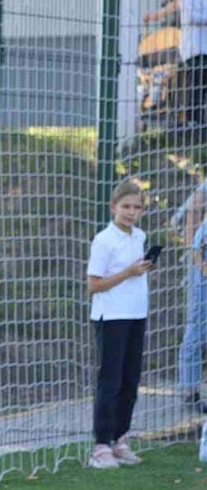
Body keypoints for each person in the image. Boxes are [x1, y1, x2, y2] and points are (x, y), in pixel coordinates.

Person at [85, 179, 152, 469]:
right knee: (110, 382)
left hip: (136, 314)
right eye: (126, 207)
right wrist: (128, 272)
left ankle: (120, 439)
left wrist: (142, 269)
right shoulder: (104, 240)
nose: (131, 212)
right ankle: (101, 446)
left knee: (130, 381)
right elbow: (94, 285)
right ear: (114, 207)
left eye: (137, 207)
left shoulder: (140, 236)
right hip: (112, 317)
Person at [144, 0, 207, 136]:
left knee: (202, 87)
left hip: (204, 50)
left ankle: (200, 120)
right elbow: (190, 17)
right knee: (195, 86)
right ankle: (193, 121)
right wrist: (153, 17)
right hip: (194, 50)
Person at [179, 208, 207, 413]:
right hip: (203, 288)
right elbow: (196, 247)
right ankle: (190, 390)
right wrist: (202, 267)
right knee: (195, 334)